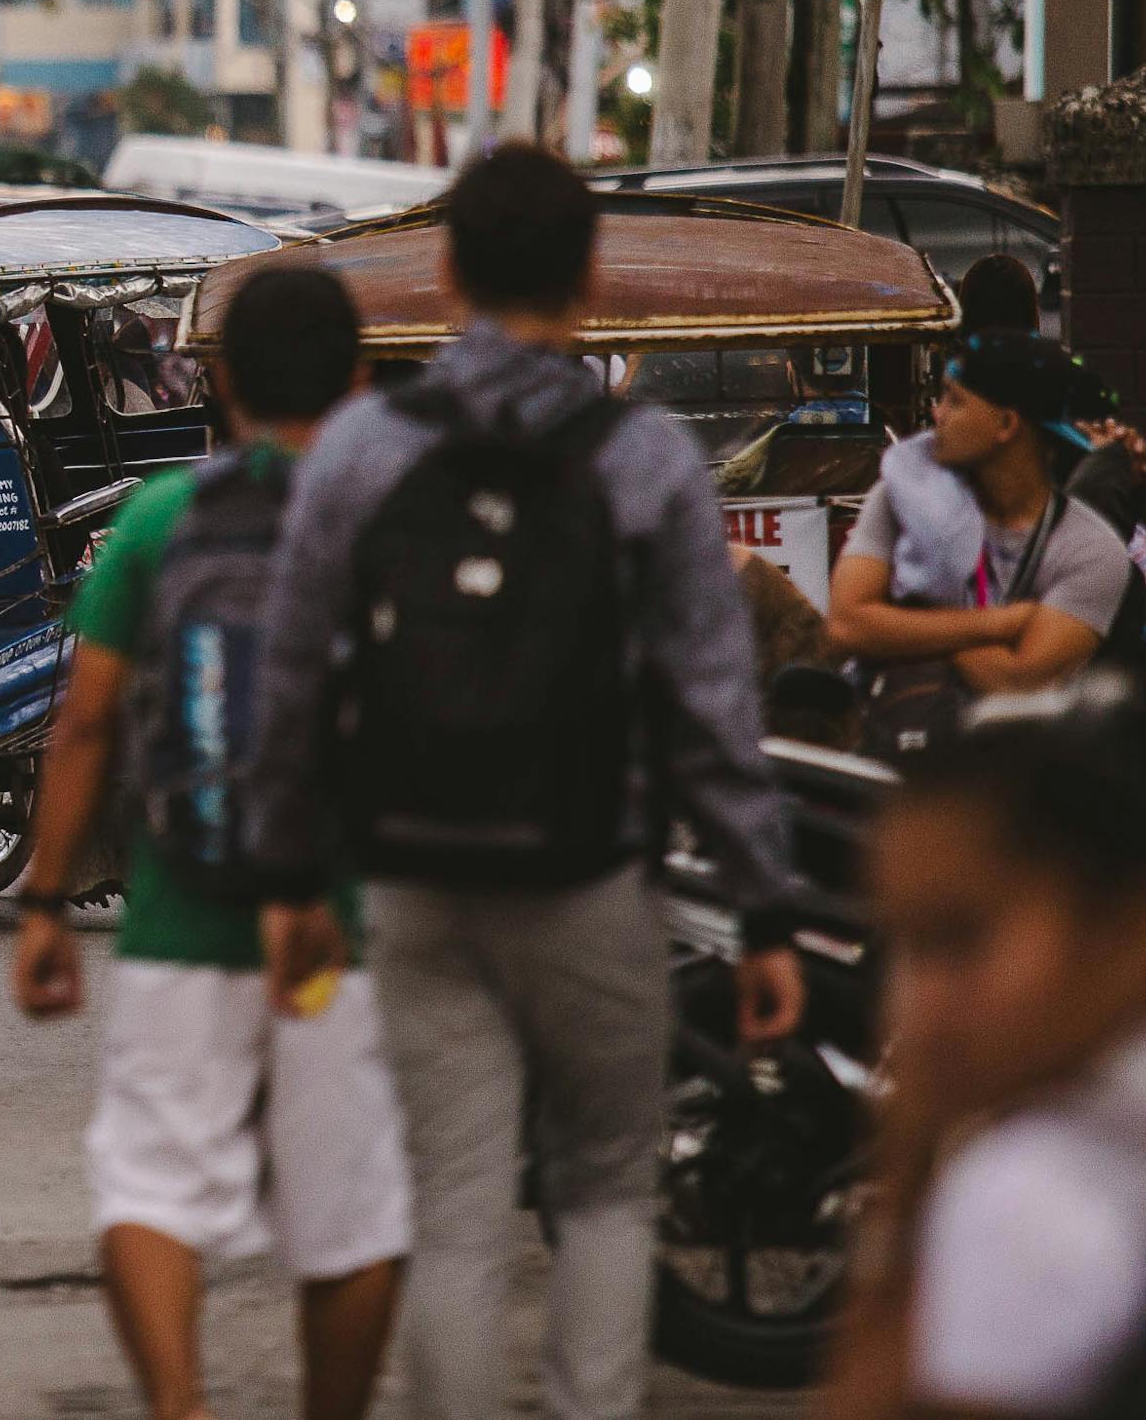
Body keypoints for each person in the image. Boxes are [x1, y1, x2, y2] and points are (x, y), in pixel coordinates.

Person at [246, 142, 803, 1420]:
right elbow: (708, 707)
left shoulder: (364, 448)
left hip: (412, 869)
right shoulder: (646, 457)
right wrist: (763, 904)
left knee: (452, 1204)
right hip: (590, 868)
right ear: (590, 276)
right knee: (606, 1186)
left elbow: (293, 682)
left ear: (443, 271)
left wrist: (289, 876)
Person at [13, 262, 408, 1420]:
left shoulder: (158, 520)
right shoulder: (385, 524)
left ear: (218, 384)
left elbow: (85, 723)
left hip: (181, 903)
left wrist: (44, 904)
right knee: (352, 1216)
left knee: (151, 1184)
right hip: (345, 924)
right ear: (358, 380)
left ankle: (178, 1408)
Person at [821, 697, 1146, 1418]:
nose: (917, 1002)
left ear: (1122, 923)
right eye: (902, 948)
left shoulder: (1032, 1192)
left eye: (957, 940)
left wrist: (902, 1165)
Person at [827, 333, 1128, 742]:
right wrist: (1003, 623)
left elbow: (1019, 685)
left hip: (1010, 785)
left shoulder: (1091, 550)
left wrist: (912, 615)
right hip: (891, 763)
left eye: (955, 400)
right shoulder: (901, 499)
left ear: (1005, 424)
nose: (938, 415)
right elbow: (846, 625)